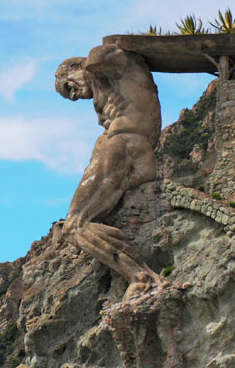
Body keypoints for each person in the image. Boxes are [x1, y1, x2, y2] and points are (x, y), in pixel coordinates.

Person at [54, 44, 166, 300]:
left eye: (68, 87)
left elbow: (100, 56)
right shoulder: (113, 86)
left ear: (75, 69)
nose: (73, 97)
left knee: (74, 226)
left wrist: (89, 65)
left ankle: (140, 277)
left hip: (125, 146)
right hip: (133, 150)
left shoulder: (109, 64)